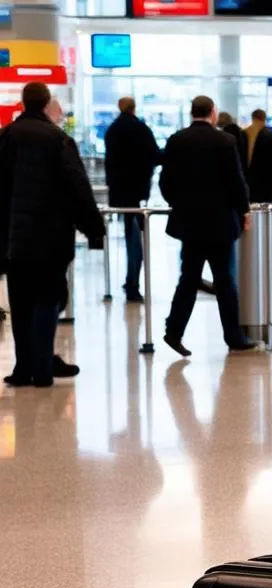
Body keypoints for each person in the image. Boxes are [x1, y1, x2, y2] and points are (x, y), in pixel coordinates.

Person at [0, 83, 105, 388]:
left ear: (24, 102)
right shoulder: (58, 140)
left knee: (20, 304)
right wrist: (94, 229)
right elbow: (78, 189)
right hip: (51, 237)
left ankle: (23, 369)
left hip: (14, 239)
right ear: (47, 104)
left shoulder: (6, 137)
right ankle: (43, 368)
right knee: (48, 299)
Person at [159, 95, 255, 358]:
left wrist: (180, 204)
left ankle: (173, 332)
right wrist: (244, 210)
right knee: (225, 281)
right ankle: (233, 336)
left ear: (192, 113)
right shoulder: (225, 141)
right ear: (213, 112)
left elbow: (165, 183)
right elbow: (236, 181)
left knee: (188, 279)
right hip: (220, 223)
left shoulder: (176, 140)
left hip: (189, 224)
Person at [103, 96, 160, 303]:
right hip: (137, 193)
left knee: (130, 235)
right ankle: (133, 284)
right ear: (134, 108)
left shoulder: (112, 130)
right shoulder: (141, 129)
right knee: (135, 240)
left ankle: (131, 281)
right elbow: (155, 155)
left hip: (119, 192)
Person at [242, 108, 272, 203]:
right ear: (264, 118)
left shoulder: (243, 134)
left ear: (252, 118)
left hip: (247, 180)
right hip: (265, 180)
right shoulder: (270, 135)